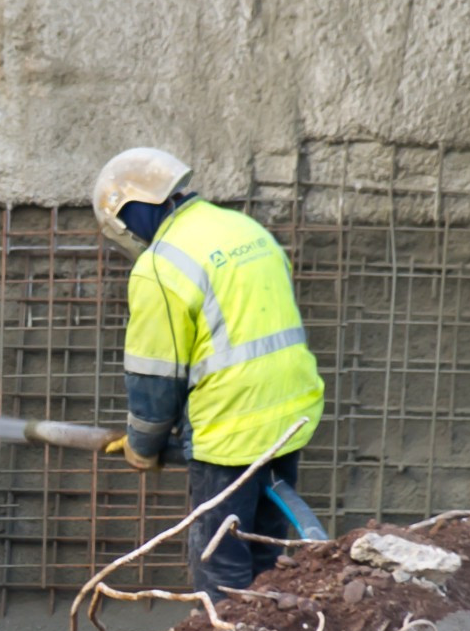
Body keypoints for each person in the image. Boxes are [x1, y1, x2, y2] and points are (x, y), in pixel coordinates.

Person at [92, 147, 325, 599]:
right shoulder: (242, 227)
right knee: (267, 553)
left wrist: (142, 446)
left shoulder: (160, 266)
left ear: (126, 216)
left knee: (220, 563)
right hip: (291, 414)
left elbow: (154, 380)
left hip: (229, 430)